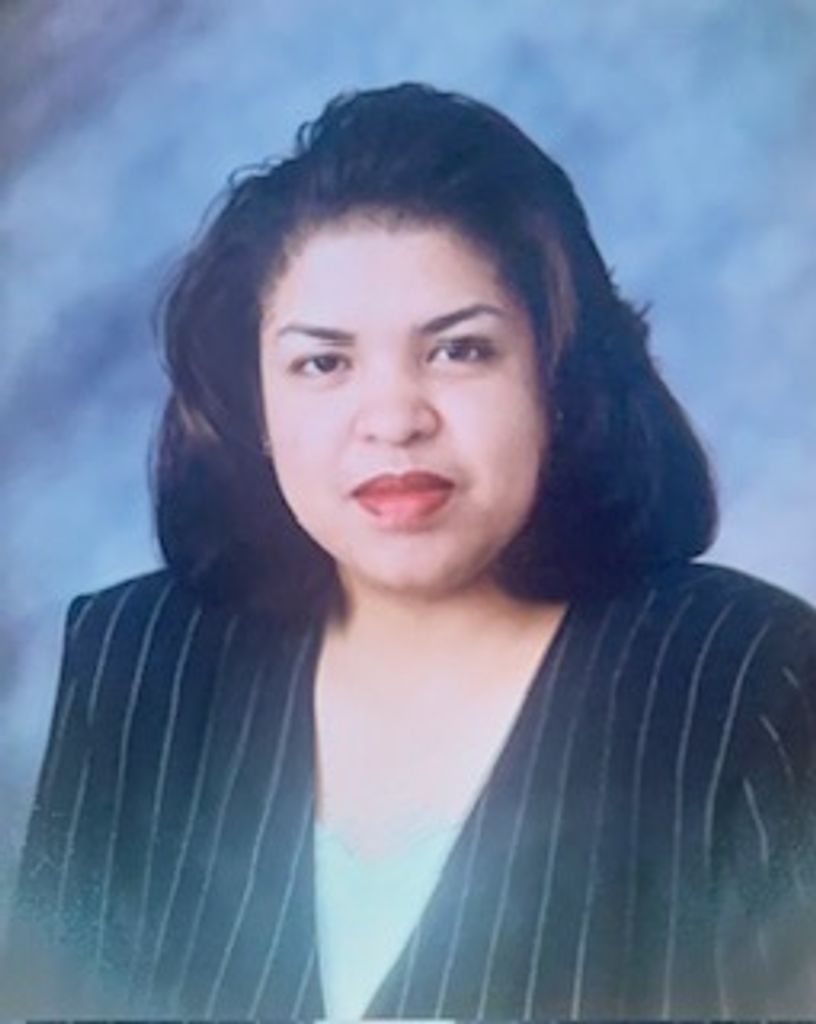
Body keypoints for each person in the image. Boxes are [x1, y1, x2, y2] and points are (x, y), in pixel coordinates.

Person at [4, 82, 816, 1018]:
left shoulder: (755, 680)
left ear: (557, 379)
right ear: (253, 406)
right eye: (323, 362)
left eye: (459, 351)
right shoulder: (137, 663)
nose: (393, 419)